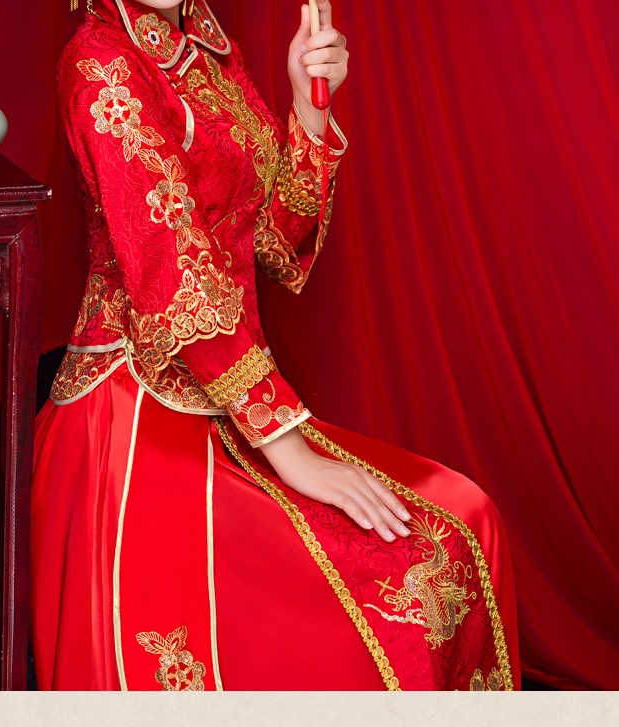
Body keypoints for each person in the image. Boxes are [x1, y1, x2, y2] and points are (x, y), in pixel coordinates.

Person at [29, 0, 521, 691]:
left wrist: (308, 107)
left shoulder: (204, 48)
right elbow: (175, 272)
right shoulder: (102, 61)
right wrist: (289, 450)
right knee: (404, 578)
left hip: (234, 406)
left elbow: (268, 240)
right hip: (136, 414)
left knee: (465, 519)